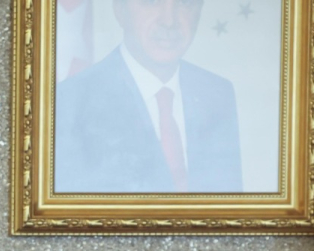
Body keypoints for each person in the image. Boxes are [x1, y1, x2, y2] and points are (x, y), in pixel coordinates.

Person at [54, 0, 242, 193]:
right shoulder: (70, 103)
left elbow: (227, 202)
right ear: (120, 10)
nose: (169, 21)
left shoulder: (217, 94)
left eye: (185, 3)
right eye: (151, 2)